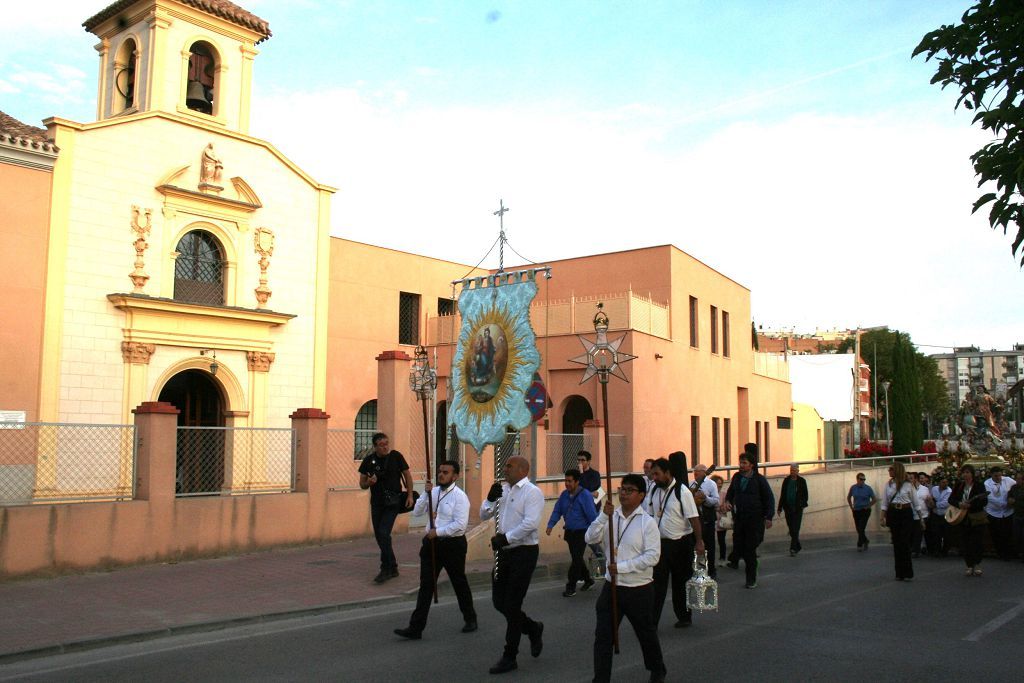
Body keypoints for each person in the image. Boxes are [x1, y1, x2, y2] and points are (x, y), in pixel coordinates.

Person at [586, 474, 666, 683]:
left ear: (641, 495)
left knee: (645, 633)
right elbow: (590, 537)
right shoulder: (610, 516)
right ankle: (601, 678)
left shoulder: (647, 523)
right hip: (612, 587)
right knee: (603, 636)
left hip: (638, 589)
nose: (623, 493)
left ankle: (657, 668)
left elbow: (652, 556)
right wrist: (603, 516)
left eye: (629, 490)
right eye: (622, 489)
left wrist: (621, 567)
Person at [394, 460, 477, 639]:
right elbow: (416, 512)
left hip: (452, 545)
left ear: (455, 476)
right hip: (431, 544)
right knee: (426, 585)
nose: (441, 475)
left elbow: (460, 526)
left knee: (458, 582)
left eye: (445, 472)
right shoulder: (433, 492)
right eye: (440, 471)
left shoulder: (460, 497)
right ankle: (416, 627)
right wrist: (425, 493)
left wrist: (437, 532)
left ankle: (470, 618)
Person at [480, 456, 545, 675]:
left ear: (523, 469)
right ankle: (533, 628)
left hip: (523, 552)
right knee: (499, 602)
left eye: (509, 466)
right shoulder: (503, 490)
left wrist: (506, 538)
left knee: (512, 604)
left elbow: (530, 523)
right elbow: (483, 515)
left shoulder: (532, 493)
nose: (505, 469)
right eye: (505, 465)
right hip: (503, 553)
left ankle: (510, 656)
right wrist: (489, 500)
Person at [645, 457, 704, 628]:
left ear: (667, 473)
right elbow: (649, 515)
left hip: (680, 544)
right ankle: (652, 621)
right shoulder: (654, 491)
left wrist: (699, 541)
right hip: (659, 545)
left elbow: (694, 518)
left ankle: (684, 616)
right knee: (657, 584)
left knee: (681, 582)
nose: (654, 477)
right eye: (652, 473)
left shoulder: (682, 491)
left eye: (657, 474)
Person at [358, 432, 413, 583]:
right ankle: (393, 566)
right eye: (381, 445)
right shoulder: (369, 461)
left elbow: (407, 475)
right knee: (380, 535)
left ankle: (385, 568)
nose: (385, 447)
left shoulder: (396, 457)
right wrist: (369, 483)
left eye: (386, 444)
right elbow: (362, 484)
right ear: (375, 446)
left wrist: (409, 495)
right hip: (377, 503)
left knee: (383, 533)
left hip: (393, 502)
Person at [722, 451, 773, 588]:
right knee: (739, 545)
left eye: (744, 463)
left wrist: (769, 517)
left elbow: (769, 498)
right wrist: (727, 501)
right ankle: (747, 563)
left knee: (750, 549)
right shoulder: (737, 477)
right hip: (739, 519)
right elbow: (731, 493)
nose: (742, 465)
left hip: (754, 520)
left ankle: (751, 578)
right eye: (741, 462)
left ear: (751, 465)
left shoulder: (759, 480)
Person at [546, 468, 598, 596]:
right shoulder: (564, 495)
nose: (567, 483)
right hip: (570, 532)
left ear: (577, 482)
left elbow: (592, 516)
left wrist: (597, 531)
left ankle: (571, 587)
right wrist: (550, 525)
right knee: (577, 558)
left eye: (570, 481)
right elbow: (557, 510)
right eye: (566, 481)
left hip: (582, 532)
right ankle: (588, 580)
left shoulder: (585, 495)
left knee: (576, 559)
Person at [879, 462, 927, 581]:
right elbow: (885, 502)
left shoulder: (908, 485)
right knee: (896, 542)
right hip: (893, 513)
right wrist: (882, 517)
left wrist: (921, 519)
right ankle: (899, 572)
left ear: (897, 471)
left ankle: (907, 572)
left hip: (905, 513)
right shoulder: (888, 485)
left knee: (904, 542)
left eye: (891, 469)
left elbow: (916, 503)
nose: (889, 471)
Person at [949, 464, 988, 576]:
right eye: (964, 472)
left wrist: (971, 505)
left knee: (977, 541)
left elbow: (984, 501)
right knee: (965, 542)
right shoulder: (959, 486)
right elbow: (951, 499)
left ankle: (978, 564)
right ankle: (969, 565)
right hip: (962, 517)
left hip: (976, 517)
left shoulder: (979, 486)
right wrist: (959, 504)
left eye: (968, 472)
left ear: (972, 474)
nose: (966, 475)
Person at [577, 450, 606, 575]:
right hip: (579, 512)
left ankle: (604, 567)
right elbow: (575, 490)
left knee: (593, 542)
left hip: (592, 511)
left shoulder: (594, 474)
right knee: (578, 545)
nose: (580, 462)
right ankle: (581, 574)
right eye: (578, 460)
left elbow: (591, 489)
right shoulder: (576, 475)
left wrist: (582, 475)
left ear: (588, 461)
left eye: (583, 460)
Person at [689, 463, 720, 578]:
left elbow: (716, 501)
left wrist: (705, 498)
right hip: (695, 519)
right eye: (694, 471)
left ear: (705, 472)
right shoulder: (691, 484)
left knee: (709, 546)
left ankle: (711, 570)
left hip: (707, 519)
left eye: (698, 471)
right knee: (694, 545)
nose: (695, 473)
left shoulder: (711, 484)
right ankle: (696, 570)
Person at [984, 466, 1017, 560]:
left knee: (1008, 533)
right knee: (996, 534)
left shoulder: (1008, 480)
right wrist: (1005, 503)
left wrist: (1012, 497)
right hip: (993, 512)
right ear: (991, 475)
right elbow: (990, 497)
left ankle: (1010, 552)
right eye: (995, 476)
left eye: (999, 475)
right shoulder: (987, 483)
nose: (998, 478)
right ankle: (1000, 553)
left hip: (1008, 512)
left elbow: (1016, 486)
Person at [778, 464, 809, 556]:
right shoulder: (786, 480)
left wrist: (802, 504)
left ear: (798, 471)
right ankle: (798, 545)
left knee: (795, 528)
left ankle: (793, 549)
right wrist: (779, 508)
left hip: (798, 508)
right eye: (791, 470)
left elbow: (805, 495)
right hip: (788, 508)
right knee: (791, 528)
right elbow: (782, 494)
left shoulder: (802, 481)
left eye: (794, 470)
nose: (792, 472)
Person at [847, 473, 876, 551]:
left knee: (861, 527)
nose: (863, 481)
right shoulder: (853, 488)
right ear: (857, 479)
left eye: (864, 479)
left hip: (865, 510)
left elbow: (874, 499)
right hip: (856, 510)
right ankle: (866, 540)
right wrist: (851, 507)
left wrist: (868, 506)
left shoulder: (868, 488)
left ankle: (859, 544)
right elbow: (849, 497)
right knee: (858, 528)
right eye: (861, 479)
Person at [928, 475, 952, 557]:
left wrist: (934, 504)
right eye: (943, 482)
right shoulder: (934, 489)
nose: (945, 484)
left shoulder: (949, 491)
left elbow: (946, 503)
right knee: (936, 533)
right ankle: (937, 550)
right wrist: (931, 502)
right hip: (935, 514)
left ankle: (945, 551)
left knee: (946, 534)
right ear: (939, 483)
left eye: (946, 482)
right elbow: (930, 497)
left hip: (945, 514)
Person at [911, 472, 933, 558]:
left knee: (919, 532)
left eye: (911, 478)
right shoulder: (908, 489)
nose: (910, 480)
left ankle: (918, 550)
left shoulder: (925, 489)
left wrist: (929, 501)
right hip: (913, 514)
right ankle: (916, 549)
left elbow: (929, 502)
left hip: (923, 514)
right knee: (916, 533)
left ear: (915, 479)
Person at [711, 474, 728, 563]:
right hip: (711, 520)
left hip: (721, 521)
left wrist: (720, 508)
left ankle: (722, 558)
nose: (720, 485)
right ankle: (710, 559)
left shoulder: (724, 494)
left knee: (722, 541)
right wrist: (719, 507)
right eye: (718, 483)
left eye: (721, 483)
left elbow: (726, 507)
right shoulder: (709, 494)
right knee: (710, 542)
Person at [1009, 477, 1024, 562]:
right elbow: (1010, 496)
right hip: (1016, 514)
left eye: (1019, 479)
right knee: (1017, 534)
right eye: (1016, 479)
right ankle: (1018, 552)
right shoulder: (1014, 488)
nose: (1017, 481)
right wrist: (1010, 500)